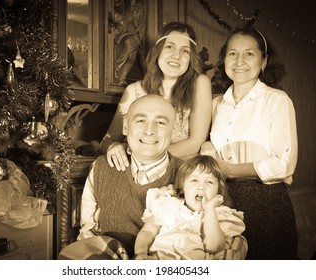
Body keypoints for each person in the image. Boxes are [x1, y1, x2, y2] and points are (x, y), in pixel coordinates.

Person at [201, 27, 298, 259]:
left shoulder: (277, 100)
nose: (239, 61)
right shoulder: (216, 105)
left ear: (264, 62)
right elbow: (208, 147)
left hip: (267, 202)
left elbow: (283, 164)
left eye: (249, 54)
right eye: (232, 53)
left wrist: (229, 170)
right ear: (224, 59)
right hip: (224, 202)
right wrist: (207, 147)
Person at [58, 94, 183, 260]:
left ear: (174, 130)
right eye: (140, 120)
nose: (149, 130)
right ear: (125, 127)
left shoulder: (188, 174)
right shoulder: (102, 168)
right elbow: (88, 233)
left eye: (160, 122)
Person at [99, 22, 212, 171]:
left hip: (178, 172)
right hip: (135, 171)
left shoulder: (199, 84)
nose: (176, 55)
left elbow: (196, 142)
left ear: (191, 58)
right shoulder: (134, 91)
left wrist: (147, 160)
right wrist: (113, 147)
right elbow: (106, 142)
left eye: (185, 51)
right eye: (169, 46)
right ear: (157, 51)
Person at [134, 155, 247, 260]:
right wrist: (140, 253)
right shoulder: (168, 204)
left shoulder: (218, 214)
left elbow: (214, 246)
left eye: (210, 182)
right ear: (183, 187)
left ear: (218, 191)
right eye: (194, 180)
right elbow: (148, 231)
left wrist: (209, 209)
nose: (202, 187)